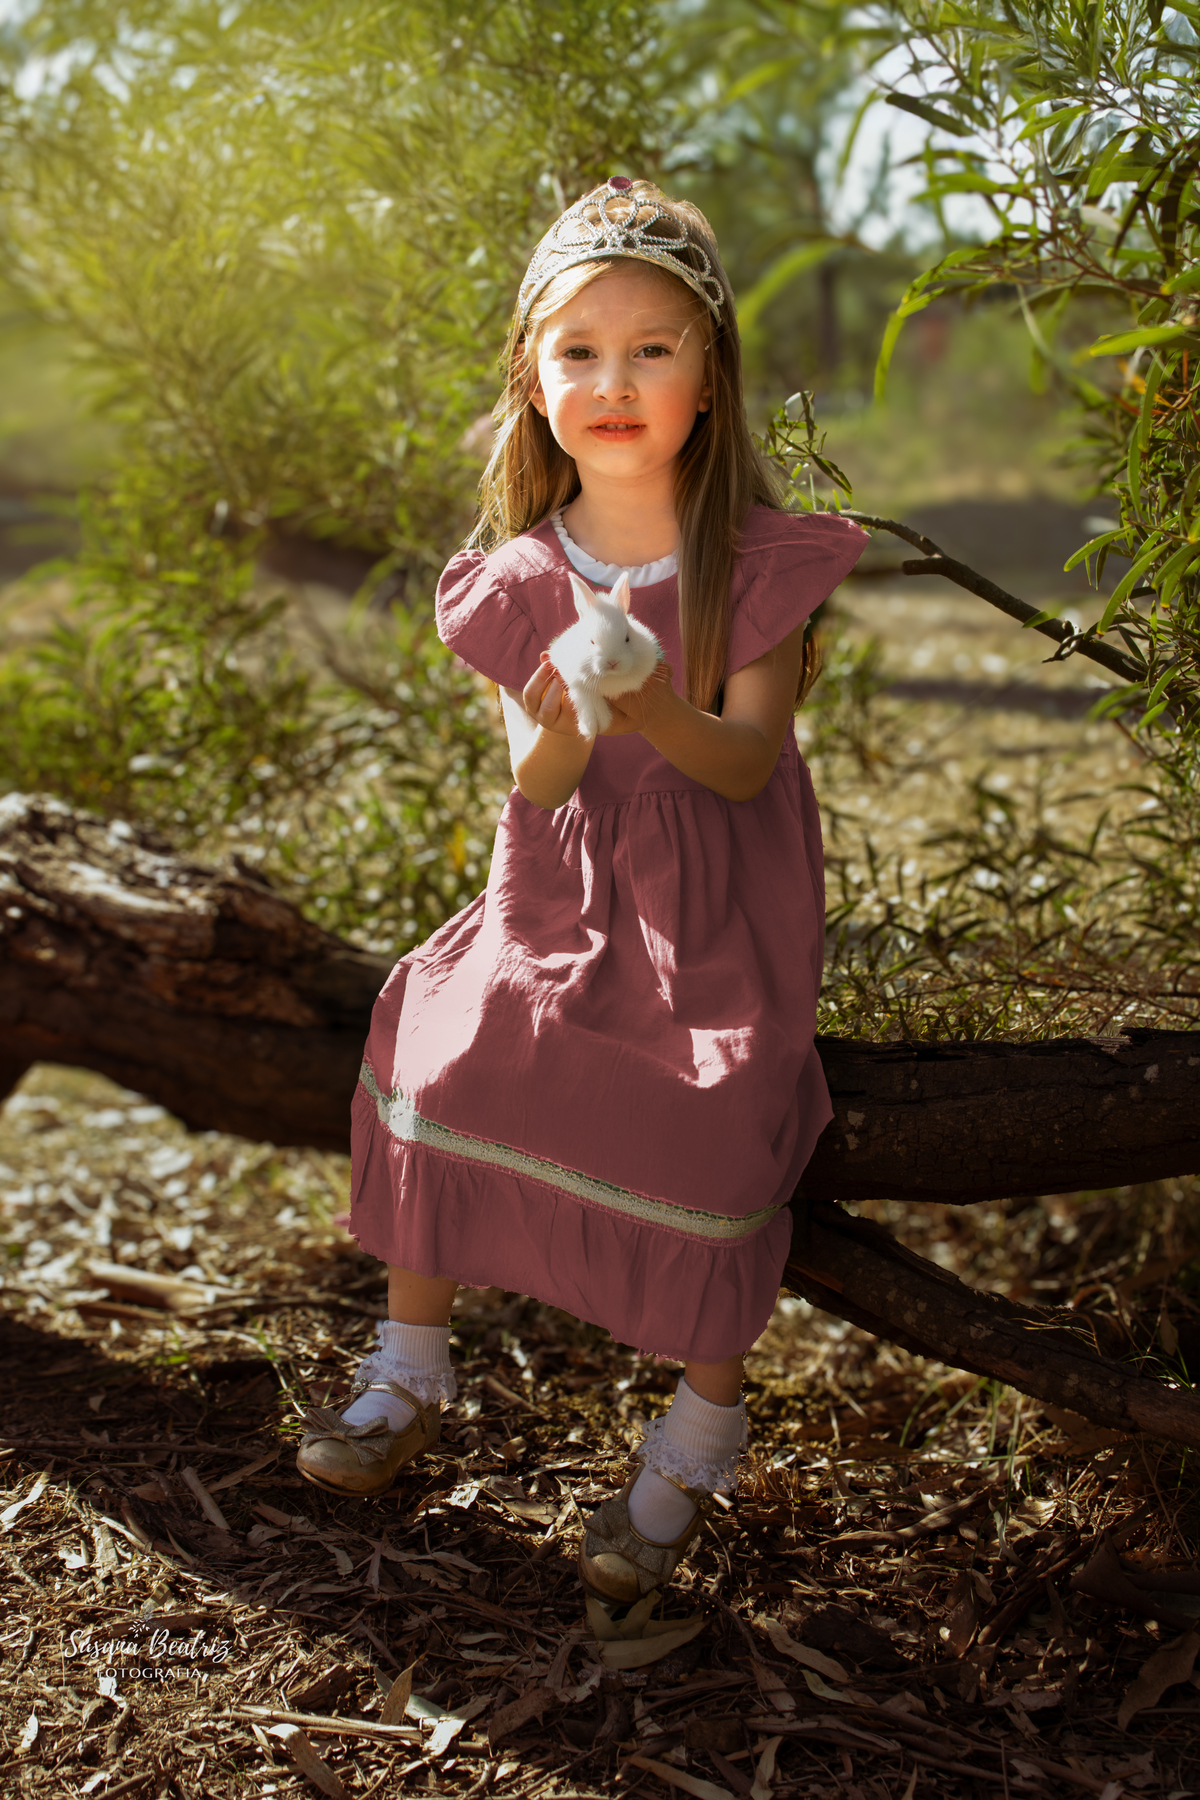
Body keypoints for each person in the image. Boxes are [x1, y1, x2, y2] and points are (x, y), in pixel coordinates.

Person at [295, 178, 866, 1603]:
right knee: (453, 1040)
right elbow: (541, 791)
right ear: (534, 383)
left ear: (712, 383)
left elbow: (740, 769)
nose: (614, 381)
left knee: (729, 1106)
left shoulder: (754, 565)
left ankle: (697, 1430)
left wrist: (656, 708)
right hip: (557, 892)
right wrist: (565, 722)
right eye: (579, 352)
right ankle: (409, 1364)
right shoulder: (518, 577)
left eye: (653, 349)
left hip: (717, 900)